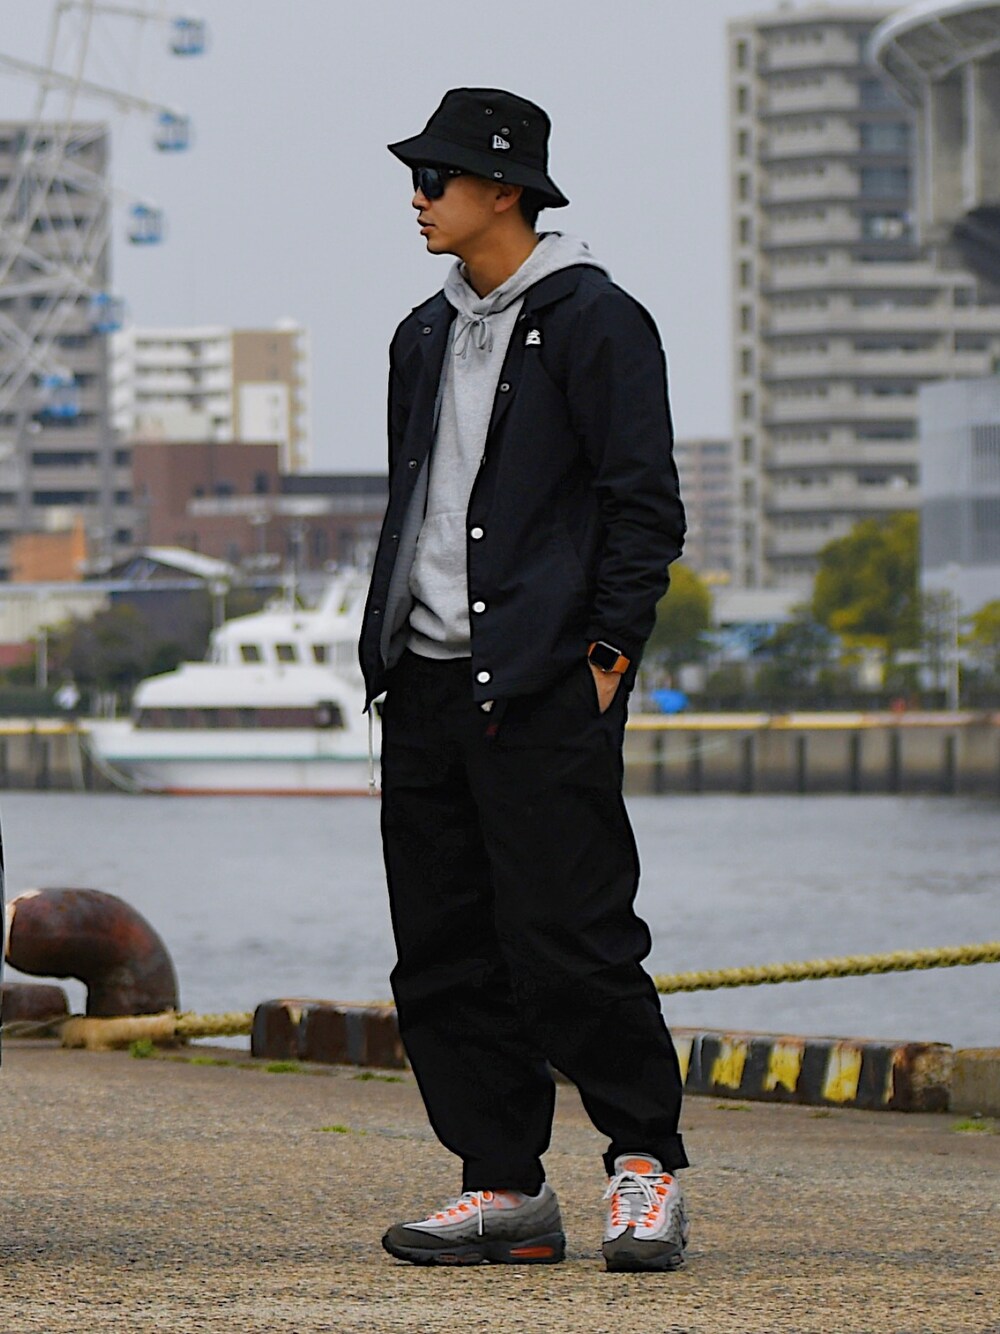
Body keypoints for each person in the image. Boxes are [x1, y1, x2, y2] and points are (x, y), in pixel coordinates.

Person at [359, 87, 689, 1273]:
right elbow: (416, 502)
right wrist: (387, 654)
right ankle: (501, 1184)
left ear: (504, 190)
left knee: (574, 938)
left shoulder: (597, 321)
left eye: (435, 178)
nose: (416, 198)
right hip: (424, 685)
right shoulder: (420, 333)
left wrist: (605, 658)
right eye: (414, 177)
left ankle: (643, 1161)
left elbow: (643, 507)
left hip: (543, 686)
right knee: (442, 948)